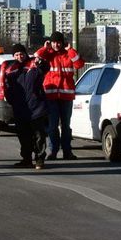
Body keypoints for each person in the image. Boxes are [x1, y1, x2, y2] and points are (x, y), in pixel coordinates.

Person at [35, 31, 85, 160]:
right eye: (54, 42)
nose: (56, 44)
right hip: (51, 96)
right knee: (52, 125)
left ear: (63, 43)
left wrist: (71, 50)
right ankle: (53, 151)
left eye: (58, 42)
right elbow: (36, 56)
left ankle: (67, 151)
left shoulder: (69, 54)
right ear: (50, 43)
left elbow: (80, 64)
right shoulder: (48, 54)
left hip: (66, 96)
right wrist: (45, 48)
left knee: (66, 126)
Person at [2, 44, 50, 169]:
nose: (19, 56)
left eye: (21, 53)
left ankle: (39, 159)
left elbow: (45, 67)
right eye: (16, 54)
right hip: (20, 108)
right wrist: (12, 100)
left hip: (36, 107)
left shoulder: (33, 64)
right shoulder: (10, 69)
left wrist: (41, 61)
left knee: (39, 135)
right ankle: (26, 159)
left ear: (25, 53)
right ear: (13, 56)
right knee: (24, 136)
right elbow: (6, 87)